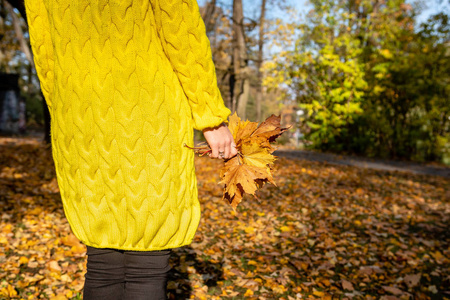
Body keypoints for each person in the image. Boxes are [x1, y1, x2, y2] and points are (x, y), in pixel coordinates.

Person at [25, 0, 237, 299]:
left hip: (82, 113)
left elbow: (43, 45)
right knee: (146, 265)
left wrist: (64, 109)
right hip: (149, 111)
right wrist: (211, 116)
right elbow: (179, 27)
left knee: (103, 262)